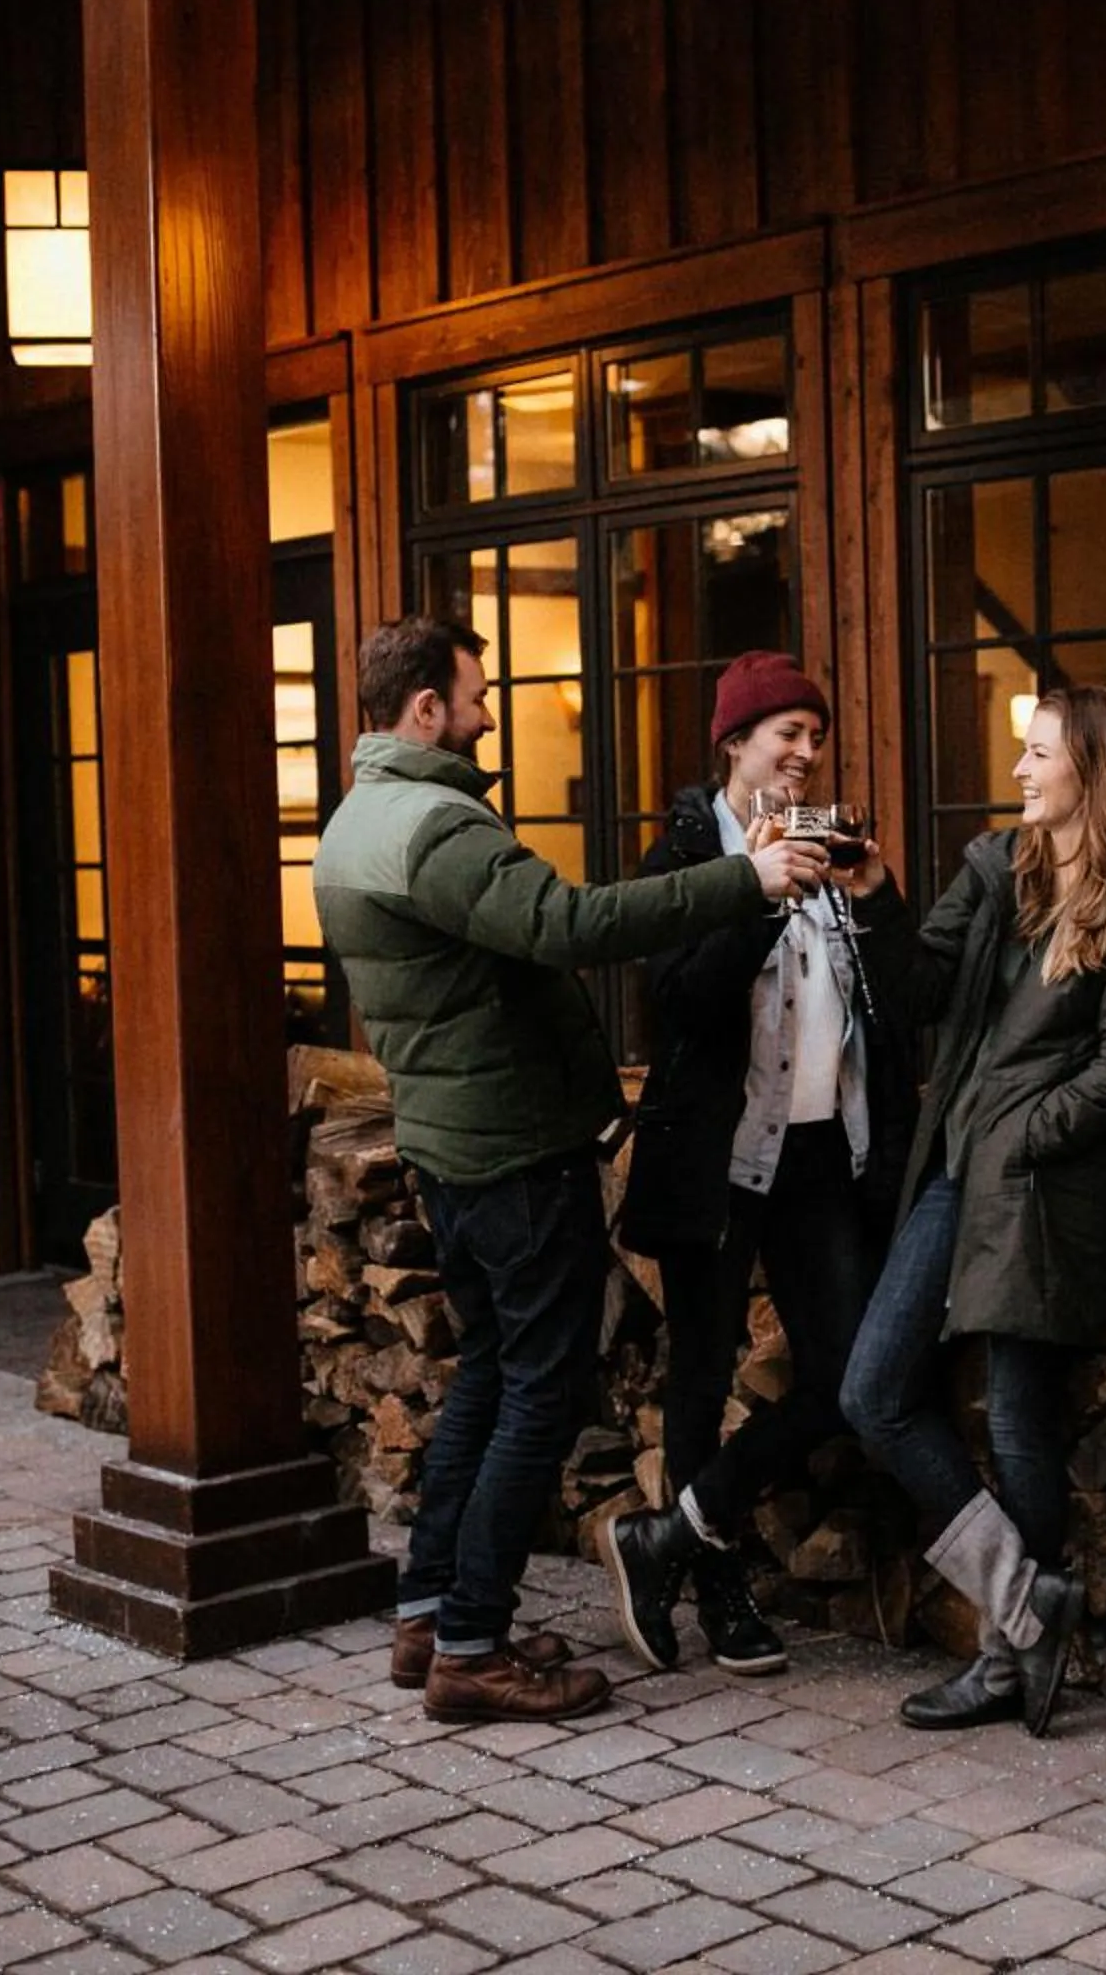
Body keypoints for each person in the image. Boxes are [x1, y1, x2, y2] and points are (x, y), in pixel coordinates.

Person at [311, 615, 831, 1725]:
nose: (488, 714)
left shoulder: (360, 815)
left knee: (489, 1375)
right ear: (425, 710)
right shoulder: (435, 826)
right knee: (539, 1393)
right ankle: (472, 1645)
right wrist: (747, 880)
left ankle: (429, 1613)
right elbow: (571, 923)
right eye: (475, 696)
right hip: (509, 1152)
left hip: (455, 1147)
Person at [835, 684, 1106, 1737]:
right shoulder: (1000, 869)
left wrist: (1022, 1132)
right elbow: (919, 993)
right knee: (873, 1390)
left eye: (1040, 753)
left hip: (1046, 1190)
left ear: (1096, 771)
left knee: (1020, 1424)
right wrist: (876, 895)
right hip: (959, 1171)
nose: (1021, 769)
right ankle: (1031, 1610)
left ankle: (1005, 1661)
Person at [603, 653, 917, 1678]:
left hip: (824, 1155)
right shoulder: (685, 856)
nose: (806, 750)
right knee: (699, 1374)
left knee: (847, 1374)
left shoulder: (829, 849)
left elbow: (900, 1000)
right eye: (787, 732)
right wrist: (760, 891)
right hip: (721, 1153)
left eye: (815, 735)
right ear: (734, 742)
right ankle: (718, 1585)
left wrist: (870, 895)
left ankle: (671, 1535)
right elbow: (678, 1000)